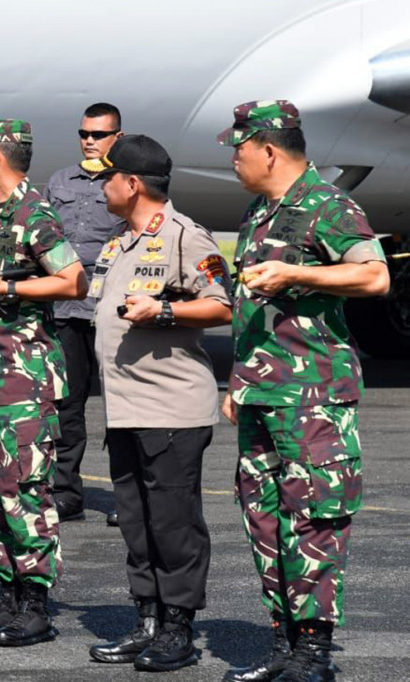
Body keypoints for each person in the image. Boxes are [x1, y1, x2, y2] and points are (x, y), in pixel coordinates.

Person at [217, 101, 389, 682]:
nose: (234, 160)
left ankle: (313, 653)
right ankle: (284, 646)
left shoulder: (328, 205)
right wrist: (239, 380)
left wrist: (299, 273)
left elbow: (373, 274)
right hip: (262, 396)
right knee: (264, 518)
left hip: (312, 398)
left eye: (238, 150)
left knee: (313, 518)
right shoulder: (259, 211)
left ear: (268, 149)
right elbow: (254, 310)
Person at [83, 135, 232, 672]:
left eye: (108, 177)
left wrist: (165, 313)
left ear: (132, 183)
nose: (101, 185)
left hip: (170, 407)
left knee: (173, 523)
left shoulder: (185, 237)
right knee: (136, 522)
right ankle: (147, 619)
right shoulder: (119, 241)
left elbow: (220, 305)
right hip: (126, 408)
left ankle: (178, 628)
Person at [0, 119, 86, 646]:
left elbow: (73, 279)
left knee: (25, 492)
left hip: (24, 380)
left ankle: (36, 607)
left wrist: (6, 283)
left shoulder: (34, 214)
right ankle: (8, 597)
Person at [44, 102, 124, 527]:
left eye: (99, 134)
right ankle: (66, 494)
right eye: (84, 134)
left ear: (117, 138)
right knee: (66, 405)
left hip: (112, 305)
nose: (89, 141)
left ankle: (124, 496)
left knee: (123, 406)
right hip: (66, 307)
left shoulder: (129, 181)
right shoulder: (59, 181)